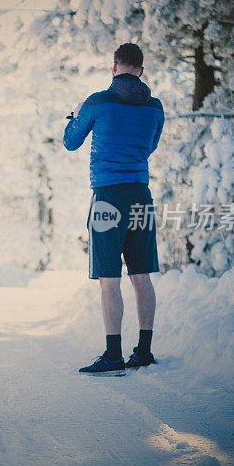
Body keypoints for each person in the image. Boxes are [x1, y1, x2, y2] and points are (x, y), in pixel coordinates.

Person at [63, 43, 164, 376]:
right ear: (141, 70)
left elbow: (71, 142)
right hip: (141, 196)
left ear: (114, 66)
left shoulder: (97, 102)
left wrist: (76, 116)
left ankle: (112, 355)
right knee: (141, 275)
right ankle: (144, 351)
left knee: (109, 279)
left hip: (107, 196)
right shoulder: (155, 107)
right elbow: (148, 147)